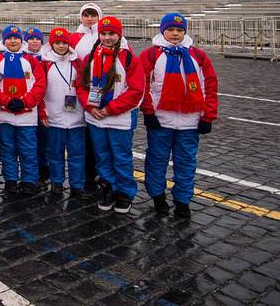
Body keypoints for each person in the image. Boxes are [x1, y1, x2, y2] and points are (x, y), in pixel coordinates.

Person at [139, 13, 218, 218]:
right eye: (171, 30)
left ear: (185, 32)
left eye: (180, 30)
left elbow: (209, 86)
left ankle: (182, 200)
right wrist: (148, 111)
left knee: (186, 162)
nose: (175, 34)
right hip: (161, 118)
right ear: (163, 30)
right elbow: (143, 85)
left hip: (190, 120)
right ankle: (157, 196)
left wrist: (208, 115)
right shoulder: (151, 55)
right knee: (156, 160)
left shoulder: (198, 56)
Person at [76, 17, 145, 214]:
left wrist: (110, 109)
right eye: (103, 34)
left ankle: (124, 192)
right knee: (102, 156)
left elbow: (136, 90)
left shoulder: (129, 58)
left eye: (111, 34)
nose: (107, 37)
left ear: (119, 35)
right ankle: (108, 188)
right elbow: (82, 86)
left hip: (119, 117)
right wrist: (90, 107)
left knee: (121, 156)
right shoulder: (91, 58)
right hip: (95, 117)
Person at [0, 26, 47, 195]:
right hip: (4, 114)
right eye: (9, 38)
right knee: (7, 148)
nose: (13, 41)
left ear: (21, 40)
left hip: (27, 114)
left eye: (16, 38)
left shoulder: (32, 61)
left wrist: (25, 102)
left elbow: (39, 85)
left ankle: (29, 180)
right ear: (4, 41)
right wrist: (6, 102)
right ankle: (10, 179)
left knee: (28, 148)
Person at [40, 28, 88, 198]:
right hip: (54, 116)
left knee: (77, 153)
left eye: (64, 43)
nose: (61, 46)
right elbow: (39, 91)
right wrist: (42, 113)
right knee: (55, 152)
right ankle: (57, 181)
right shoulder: (44, 64)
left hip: (77, 116)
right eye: (57, 43)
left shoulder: (78, 63)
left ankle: (77, 184)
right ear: (51, 44)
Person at [69, 2, 103, 193]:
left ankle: (100, 170)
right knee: (82, 132)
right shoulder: (75, 37)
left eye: (93, 15)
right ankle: (87, 171)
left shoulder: (106, 34)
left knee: (97, 131)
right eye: (86, 15)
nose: (89, 19)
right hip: (79, 89)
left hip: (103, 89)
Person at [24, 27, 49, 184]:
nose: (34, 41)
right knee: (29, 140)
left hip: (45, 103)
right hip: (27, 104)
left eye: (37, 39)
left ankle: (44, 166)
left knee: (44, 138)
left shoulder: (47, 59)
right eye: (31, 39)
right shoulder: (21, 58)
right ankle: (32, 169)